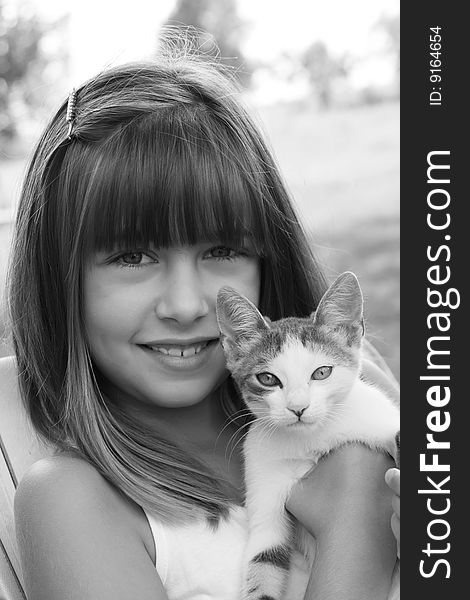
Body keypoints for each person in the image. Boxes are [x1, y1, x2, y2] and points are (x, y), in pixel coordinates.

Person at [4, 45, 400, 600]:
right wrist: (355, 524)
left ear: (269, 258)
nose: (187, 305)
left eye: (221, 249)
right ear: (58, 281)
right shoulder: (74, 502)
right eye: (132, 257)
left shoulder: (356, 388)